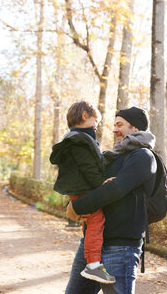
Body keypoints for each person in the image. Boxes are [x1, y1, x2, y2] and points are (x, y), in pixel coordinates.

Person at [65, 106, 157, 294]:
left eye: (119, 125)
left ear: (136, 128)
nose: (114, 129)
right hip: (92, 244)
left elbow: (115, 189)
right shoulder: (113, 156)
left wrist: (76, 208)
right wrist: (72, 204)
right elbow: (89, 187)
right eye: (114, 125)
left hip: (121, 246)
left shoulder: (143, 157)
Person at [50, 101, 116, 284]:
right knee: (97, 220)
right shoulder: (80, 140)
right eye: (96, 120)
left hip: (78, 188)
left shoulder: (74, 138)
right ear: (85, 116)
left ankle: (91, 260)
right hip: (85, 188)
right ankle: (93, 265)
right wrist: (100, 183)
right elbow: (87, 166)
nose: (97, 125)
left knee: (89, 222)